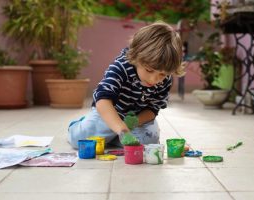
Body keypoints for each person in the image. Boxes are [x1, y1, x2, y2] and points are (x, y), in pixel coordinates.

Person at [68, 21, 184, 149]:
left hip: (135, 118)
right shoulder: (120, 68)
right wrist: (122, 130)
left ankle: (114, 137)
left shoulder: (166, 78)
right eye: (149, 70)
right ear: (137, 58)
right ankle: (78, 127)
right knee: (80, 140)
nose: (154, 79)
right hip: (110, 113)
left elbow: (152, 109)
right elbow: (102, 101)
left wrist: (133, 122)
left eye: (162, 74)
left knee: (150, 140)